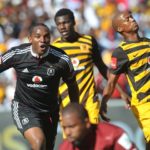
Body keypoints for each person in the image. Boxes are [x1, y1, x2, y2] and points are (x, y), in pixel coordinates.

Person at [0, 23, 79, 150]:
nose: (43, 40)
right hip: (24, 107)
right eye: (38, 36)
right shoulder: (17, 54)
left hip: (50, 112)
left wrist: (76, 109)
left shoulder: (62, 59)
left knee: (45, 147)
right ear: (30, 39)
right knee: (38, 142)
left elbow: (72, 85)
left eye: (46, 36)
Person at [52, 8, 130, 125]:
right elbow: (53, 79)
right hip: (67, 105)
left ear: (74, 22)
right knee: (74, 140)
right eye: (59, 24)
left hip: (89, 102)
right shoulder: (54, 48)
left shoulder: (89, 41)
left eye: (65, 22)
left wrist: (122, 92)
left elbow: (103, 68)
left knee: (92, 138)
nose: (62, 27)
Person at [100, 10, 150, 149]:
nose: (132, 20)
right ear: (120, 29)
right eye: (127, 19)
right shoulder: (121, 52)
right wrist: (104, 101)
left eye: (132, 17)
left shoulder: (147, 42)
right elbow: (111, 81)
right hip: (144, 103)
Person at [59, 103, 137, 150]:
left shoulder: (114, 135)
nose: (67, 132)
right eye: (64, 128)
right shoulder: (65, 147)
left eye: (72, 127)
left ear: (86, 123)